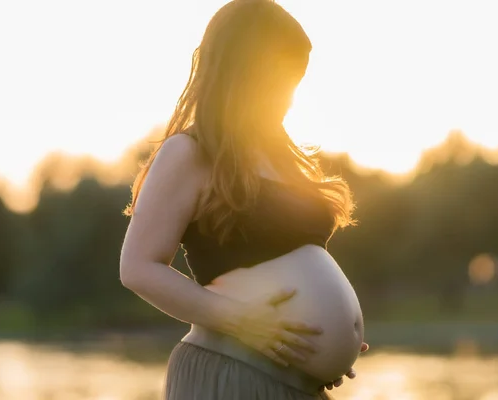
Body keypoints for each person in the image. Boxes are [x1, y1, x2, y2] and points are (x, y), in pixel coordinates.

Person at [119, 0, 367, 398]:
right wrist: (241, 321)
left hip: (293, 382)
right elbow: (137, 267)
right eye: (279, 82)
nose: (287, 99)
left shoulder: (282, 158)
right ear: (242, 74)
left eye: (294, 84)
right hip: (232, 372)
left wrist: (329, 346)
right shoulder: (190, 152)